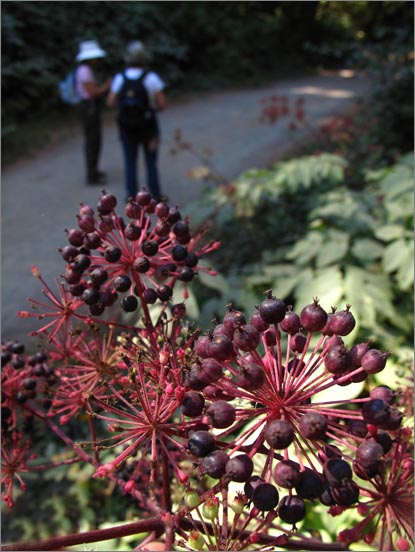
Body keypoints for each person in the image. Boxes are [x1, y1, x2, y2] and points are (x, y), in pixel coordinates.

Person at [107, 41, 166, 201]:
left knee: (130, 162)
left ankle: (131, 198)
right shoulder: (151, 78)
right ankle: (156, 198)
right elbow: (162, 104)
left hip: (127, 128)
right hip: (148, 127)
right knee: (151, 163)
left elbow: (110, 102)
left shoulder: (120, 78)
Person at [75, 40, 111, 185]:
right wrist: (106, 86)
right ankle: (92, 174)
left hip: (89, 106)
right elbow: (93, 92)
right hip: (89, 107)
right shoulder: (84, 71)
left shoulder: (85, 70)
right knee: (92, 140)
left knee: (94, 139)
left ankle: (94, 170)